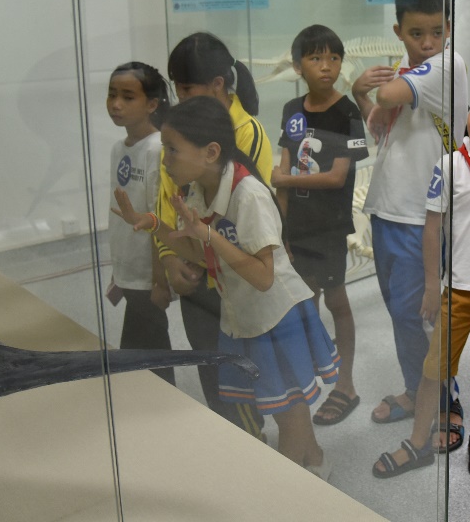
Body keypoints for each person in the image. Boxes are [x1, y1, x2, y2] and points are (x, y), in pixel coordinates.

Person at [114, 96, 340, 480]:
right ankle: (315, 459)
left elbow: (263, 277)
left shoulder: (248, 195)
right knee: (287, 402)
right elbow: (201, 256)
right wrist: (154, 224)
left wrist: (208, 235)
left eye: (173, 149)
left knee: (286, 409)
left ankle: (289, 487)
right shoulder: (198, 190)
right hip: (245, 316)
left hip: (276, 316)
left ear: (210, 152)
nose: (165, 159)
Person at [372, 76, 470, 480]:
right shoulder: (451, 165)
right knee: (435, 368)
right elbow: (432, 229)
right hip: (459, 288)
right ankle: (419, 441)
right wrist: (433, 285)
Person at [352, 0, 469, 432]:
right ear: (398, 30)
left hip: (423, 214)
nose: (427, 43)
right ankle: (415, 389)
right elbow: (379, 124)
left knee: (423, 315)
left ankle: (442, 401)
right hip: (389, 208)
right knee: (402, 314)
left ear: (449, 29)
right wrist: (359, 94)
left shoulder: (447, 64)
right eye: (416, 33)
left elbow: (388, 96)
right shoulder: (408, 67)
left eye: (437, 32)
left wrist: (376, 88)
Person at [155, 32, 272, 438]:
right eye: (177, 88)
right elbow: (165, 201)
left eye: (186, 89)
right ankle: (232, 440)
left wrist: (204, 252)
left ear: (218, 85)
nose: (179, 98)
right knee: (209, 365)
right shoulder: (177, 132)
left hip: (231, 279)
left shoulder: (248, 133)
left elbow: (249, 212)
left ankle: (251, 442)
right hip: (194, 275)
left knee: (239, 375)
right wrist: (169, 258)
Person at [272, 25, 369, 426]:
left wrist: (285, 179)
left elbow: (335, 176)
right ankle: (309, 377)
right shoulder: (291, 109)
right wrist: (281, 231)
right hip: (297, 227)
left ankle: (345, 385)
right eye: (315, 58)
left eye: (333, 58)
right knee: (304, 300)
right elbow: (281, 170)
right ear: (298, 66)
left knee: (336, 301)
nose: (326, 66)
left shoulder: (347, 112)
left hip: (329, 227)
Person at [105, 62, 175, 385]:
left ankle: (164, 407)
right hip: (129, 269)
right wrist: (118, 269)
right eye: (112, 95)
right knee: (138, 354)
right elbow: (120, 214)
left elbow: (158, 218)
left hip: (150, 274)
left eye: (128, 97)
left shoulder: (158, 148)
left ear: (152, 104)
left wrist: (160, 280)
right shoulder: (118, 148)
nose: (116, 104)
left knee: (151, 355)